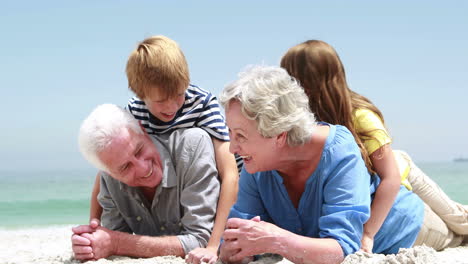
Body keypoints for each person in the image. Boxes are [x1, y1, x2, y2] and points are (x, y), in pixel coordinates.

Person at [217, 66, 463, 264]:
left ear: (279, 135)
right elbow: (237, 237)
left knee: (459, 233)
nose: (232, 148)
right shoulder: (257, 165)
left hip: (410, 228)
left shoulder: (337, 150)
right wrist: (233, 250)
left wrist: (275, 240)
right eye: (230, 133)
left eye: (241, 136)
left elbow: (343, 249)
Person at [280, 39, 468, 253]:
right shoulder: (305, 121)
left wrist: (368, 233)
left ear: (309, 82)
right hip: (393, 177)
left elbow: (391, 178)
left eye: (289, 78)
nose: (284, 86)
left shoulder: (359, 116)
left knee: (459, 225)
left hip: (402, 178)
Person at [87, 35, 239, 263]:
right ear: (140, 94)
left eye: (179, 94)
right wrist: (94, 226)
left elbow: (230, 174)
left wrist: (213, 244)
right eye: (160, 101)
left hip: (220, 189)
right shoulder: (135, 110)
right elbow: (106, 171)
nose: (172, 107)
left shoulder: (202, 104)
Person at [72, 104, 220, 261]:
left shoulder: (191, 147)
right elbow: (111, 237)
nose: (143, 168)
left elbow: (200, 241)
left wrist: (116, 243)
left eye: (139, 150)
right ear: (109, 172)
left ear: (143, 130)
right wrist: (90, 243)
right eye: (125, 167)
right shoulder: (109, 179)